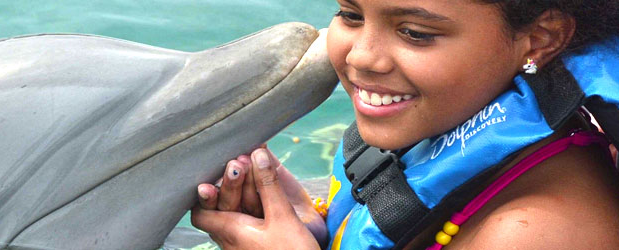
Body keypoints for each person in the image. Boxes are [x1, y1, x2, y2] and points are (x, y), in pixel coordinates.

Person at [191, 0, 619, 249]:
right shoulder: (439, 122)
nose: (360, 56)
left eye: (414, 32)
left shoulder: (539, 232)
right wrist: (321, 231)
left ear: (541, 40)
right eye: (350, 14)